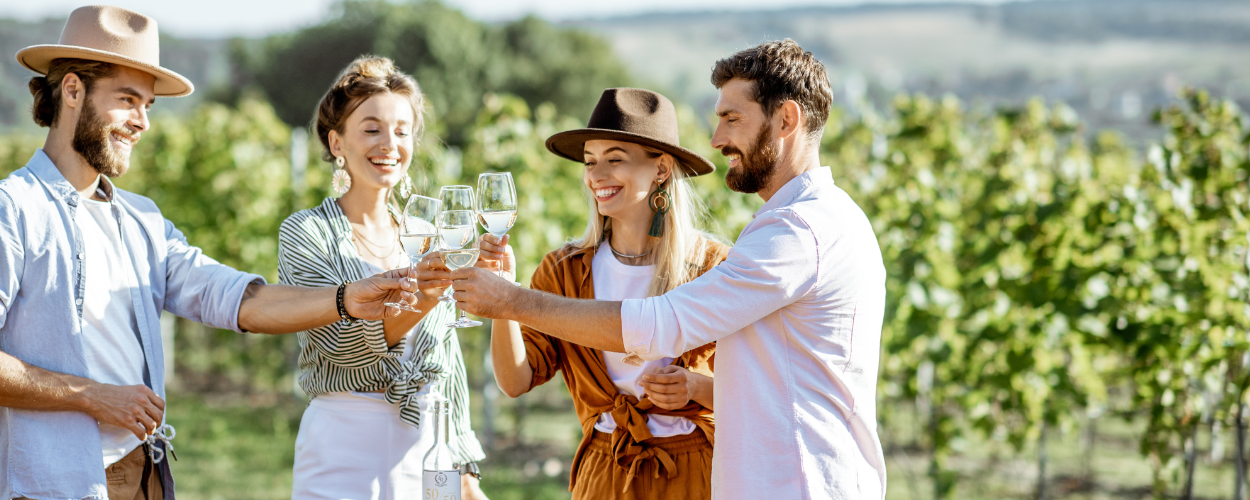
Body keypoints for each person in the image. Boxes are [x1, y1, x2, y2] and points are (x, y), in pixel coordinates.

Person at [0, 7, 418, 500]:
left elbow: (234, 298)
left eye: (149, 106)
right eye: (128, 100)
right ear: (72, 90)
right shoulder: (14, 210)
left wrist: (347, 299)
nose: (142, 122)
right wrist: (92, 396)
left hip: (145, 474)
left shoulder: (141, 221)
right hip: (56, 482)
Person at [450, 40, 887, 500]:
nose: (717, 140)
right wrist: (507, 303)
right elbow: (765, 386)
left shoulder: (795, 233)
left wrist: (512, 300)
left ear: (786, 120)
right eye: (590, 162)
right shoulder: (799, 224)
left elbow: (661, 324)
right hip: (624, 474)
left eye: (731, 118)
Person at [478, 88, 728, 499]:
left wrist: (695, 388)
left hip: (697, 473)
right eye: (590, 162)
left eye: (615, 159)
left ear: (661, 169)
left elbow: (758, 391)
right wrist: (503, 298)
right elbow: (514, 381)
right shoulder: (564, 271)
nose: (596, 175)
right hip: (607, 470)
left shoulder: (714, 268)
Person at [278, 55, 488, 500]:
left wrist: (464, 469)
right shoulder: (306, 232)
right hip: (342, 445)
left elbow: (447, 362)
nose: (389, 143)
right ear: (337, 143)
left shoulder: (429, 234)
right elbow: (338, 345)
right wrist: (425, 300)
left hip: (431, 445)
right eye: (371, 129)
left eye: (401, 130)